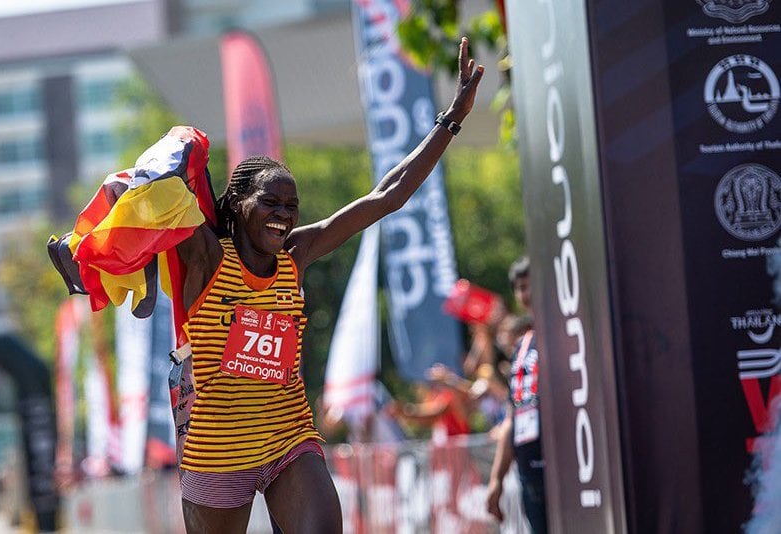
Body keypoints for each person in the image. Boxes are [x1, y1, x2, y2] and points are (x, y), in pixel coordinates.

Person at [172, 38, 483, 533]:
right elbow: (157, 194)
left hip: (288, 439)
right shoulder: (207, 257)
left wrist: (452, 118)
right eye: (271, 203)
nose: (283, 215)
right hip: (218, 451)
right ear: (238, 204)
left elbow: (388, 195)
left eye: (291, 206)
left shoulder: (296, 254)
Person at [486, 256, 548, 533]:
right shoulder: (521, 348)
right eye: (521, 288)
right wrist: (496, 480)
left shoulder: (563, 333)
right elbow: (514, 416)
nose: (527, 293)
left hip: (564, 472)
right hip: (529, 475)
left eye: (531, 285)